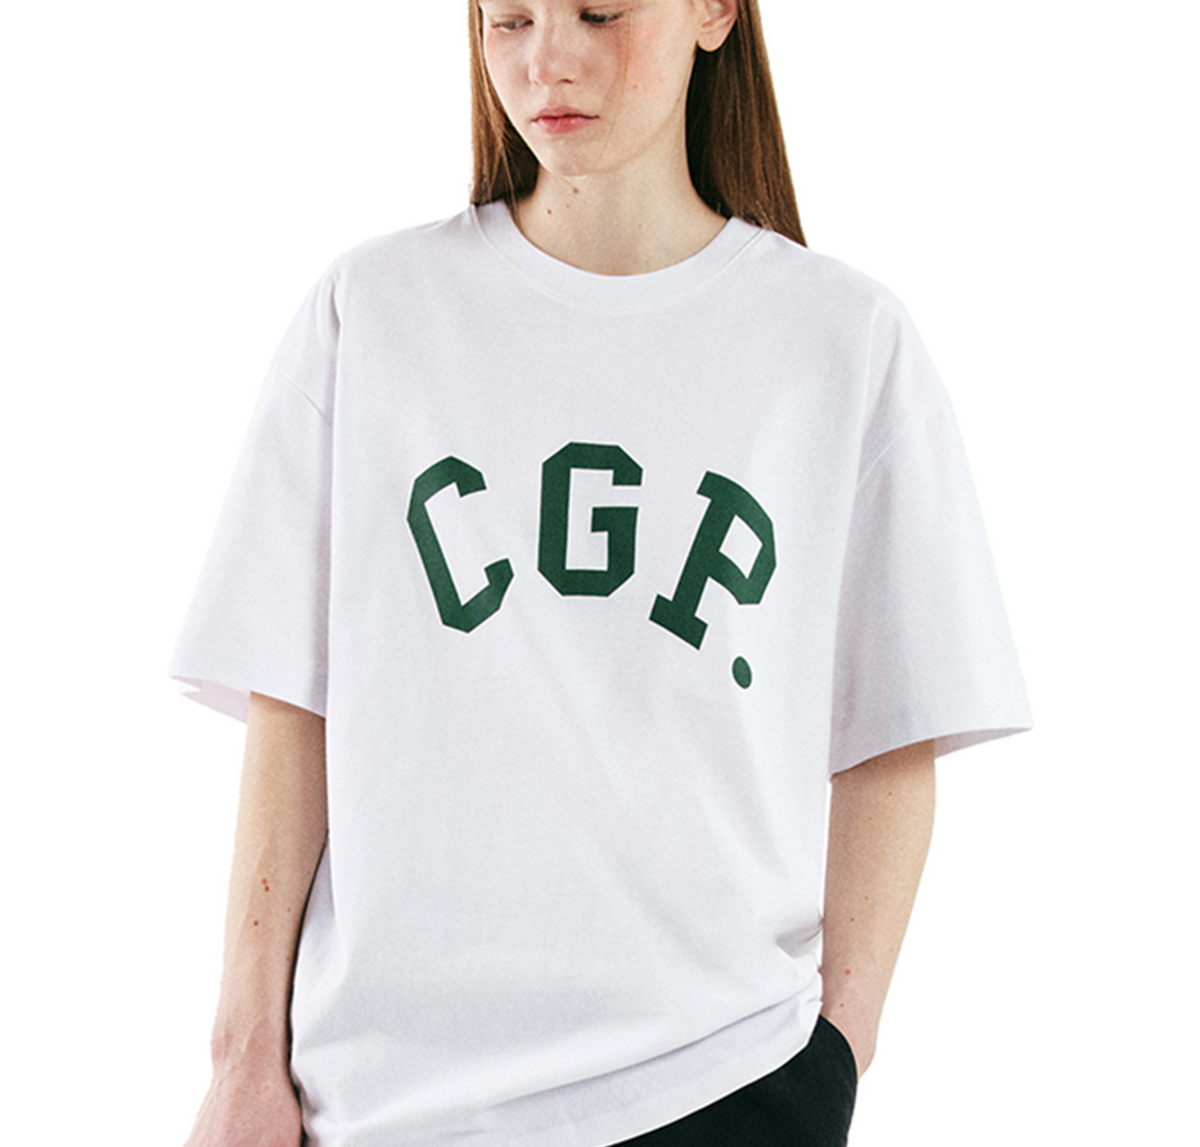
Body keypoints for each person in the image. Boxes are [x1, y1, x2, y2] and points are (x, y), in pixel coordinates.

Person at [171, 2, 1031, 1145]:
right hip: (391, 1098)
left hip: (720, 1077)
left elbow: (893, 730)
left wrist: (837, 1047)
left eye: (597, 12)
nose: (547, 60)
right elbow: (293, 702)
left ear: (715, 11)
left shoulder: (840, 338)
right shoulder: (372, 313)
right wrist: (243, 1058)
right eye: (509, 20)